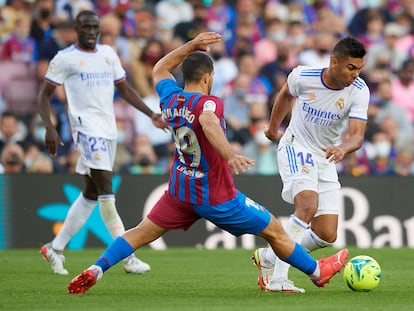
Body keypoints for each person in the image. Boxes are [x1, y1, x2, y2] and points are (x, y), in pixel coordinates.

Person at [67, 32, 348, 295]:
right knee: (274, 229)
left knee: (140, 232)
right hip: (216, 195)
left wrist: (191, 45)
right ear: (208, 78)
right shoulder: (209, 103)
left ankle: (96, 268)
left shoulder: (169, 96)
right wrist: (229, 154)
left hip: (180, 191)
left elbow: (160, 68)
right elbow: (208, 122)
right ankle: (316, 272)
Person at [38, 10, 166, 276]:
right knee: (107, 190)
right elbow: (44, 94)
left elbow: (125, 89)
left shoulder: (108, 54)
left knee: (91, 194)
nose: (91, 31)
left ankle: (55, 247)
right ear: (76, 28)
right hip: (86, 130)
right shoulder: (65, 59)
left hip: (108, 131)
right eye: (85, 26)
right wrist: (49, 126)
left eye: (94, 26)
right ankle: (128, 256)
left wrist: (151, 113)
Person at [252, 36, 369, 293]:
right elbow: (285, 95)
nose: (356, 74)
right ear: (334, 61)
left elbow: (358, 136)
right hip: (297, 146)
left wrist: (343, 148)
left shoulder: (359, 90)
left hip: (327, 156)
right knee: (306, 205)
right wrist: (274, 129)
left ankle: (269, 257)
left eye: (359, 68)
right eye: (351, 67)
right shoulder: (303, 76)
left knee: (326, 234)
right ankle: (279, 278)